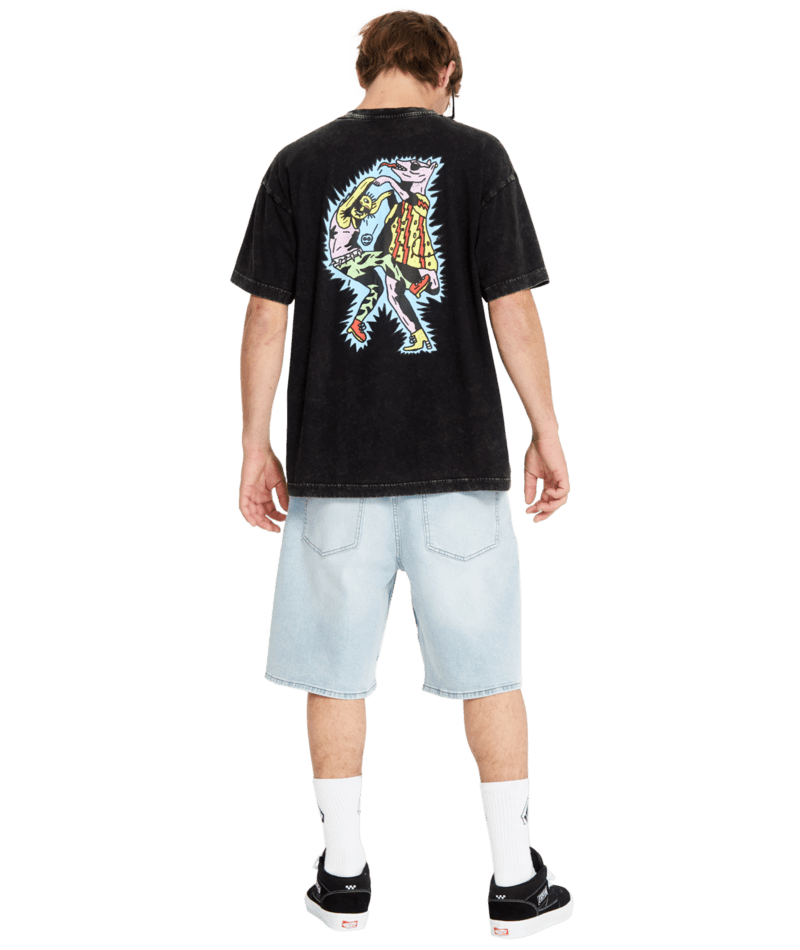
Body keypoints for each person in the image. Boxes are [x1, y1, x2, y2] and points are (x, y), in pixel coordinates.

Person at [229, 7, 572, 940]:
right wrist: (546, 431)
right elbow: (514, 310)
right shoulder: (480, 156)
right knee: (489, 671)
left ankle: (343, 877)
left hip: (334, 471)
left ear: (363, 70)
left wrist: (255, 447)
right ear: (447, 73)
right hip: (458, 466)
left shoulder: (298, 163)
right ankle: (515, 883)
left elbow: (265, 320)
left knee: (334, 674)